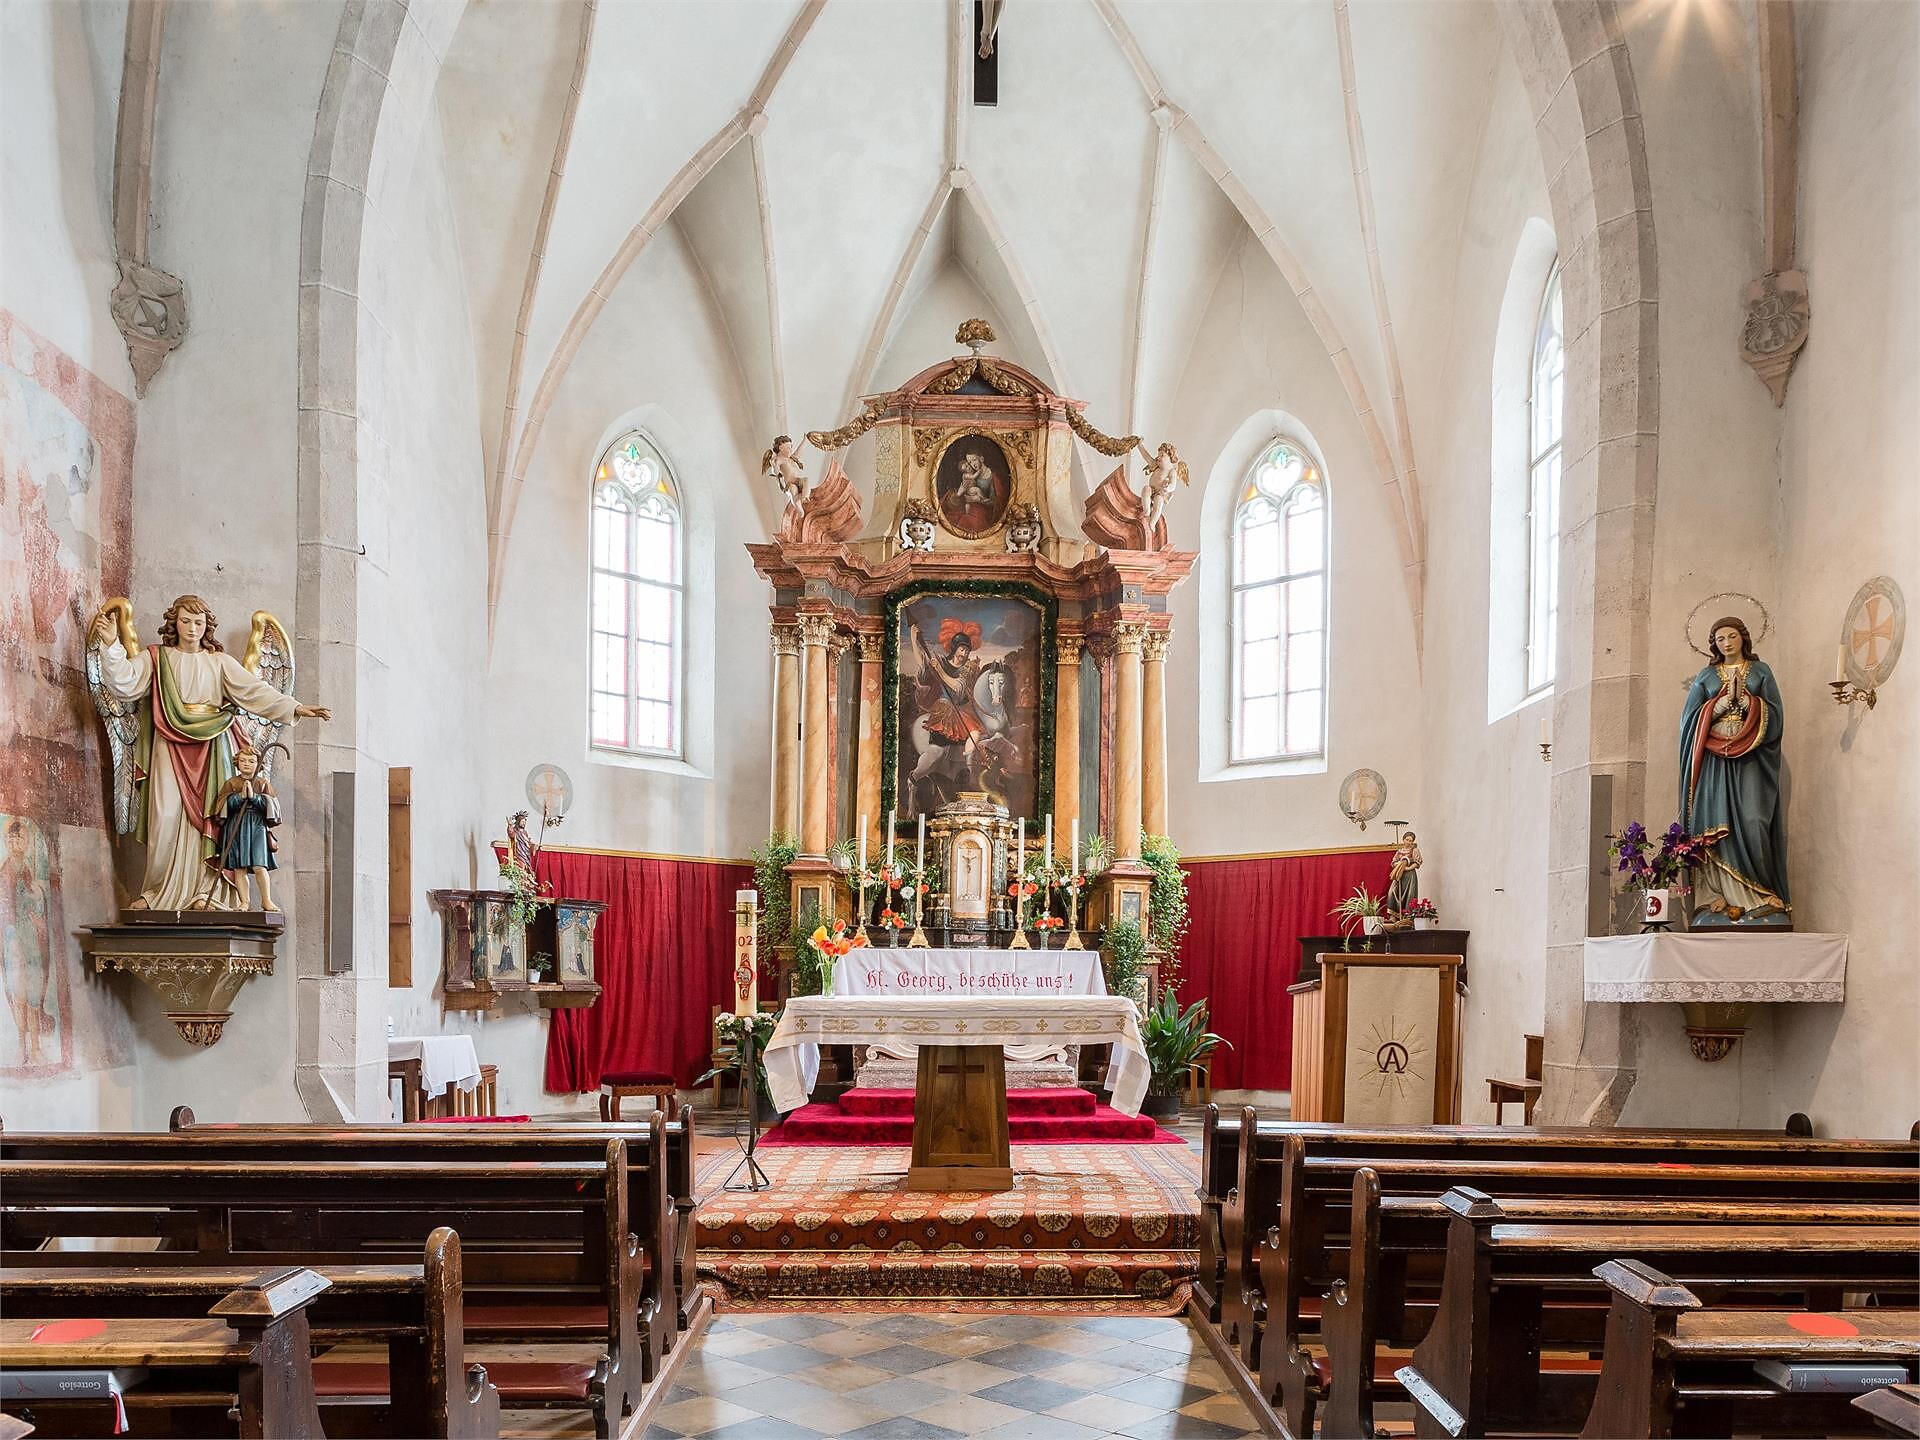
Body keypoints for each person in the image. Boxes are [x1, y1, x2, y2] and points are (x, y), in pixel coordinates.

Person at [89, 595, 329, 910]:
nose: (192, 629)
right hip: (169, 745)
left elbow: (256, 692)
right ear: (174, 622)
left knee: (214, 819)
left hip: (214, 745)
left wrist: (296, 707)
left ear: (207, 627)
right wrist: (110, 645)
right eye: (185, 621)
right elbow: (125, 684)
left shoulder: (218, 662)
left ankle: (208, 892)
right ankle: (158, 892)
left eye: (198, 623)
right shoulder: (157, 658)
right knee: (165, 817)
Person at [1679, 616, 1790, 925]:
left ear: (1743, 638)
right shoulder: (1706, 676)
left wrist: (1748, 702)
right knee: (1715, 822)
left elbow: (1777, 715)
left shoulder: (1760, 671)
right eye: (1719, 639)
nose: (1726, 643)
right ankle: (1718, 895)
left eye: (1731, 636)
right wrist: (1719, 704)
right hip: (1715, 758)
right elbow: (1689, 722)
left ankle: (1759, 893)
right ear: (1713, 645)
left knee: (1754, 820)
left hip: (1751, 754)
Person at [0, 818, 54, 1067]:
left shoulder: (28, 871)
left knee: (33, 996)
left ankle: (35, 1048)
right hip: (13, 938)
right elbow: (5, 908)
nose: (15, 842)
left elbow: (37, 906)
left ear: (27, 841)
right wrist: (11, 939)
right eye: (11, 838)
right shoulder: (5, 871)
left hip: (31, 938)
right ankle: (22, 1047)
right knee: (19, 995)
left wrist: (36, 895)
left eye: (20, 838)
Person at [208, 746, 281, 911]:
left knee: (259, 865)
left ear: (258, 764)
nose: (247, 764)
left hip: (256, 826)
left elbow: (273, 807)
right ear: (237, 763)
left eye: (251, 761)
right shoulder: (231, 783)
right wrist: (238, 798)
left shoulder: (262, 783)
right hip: (236, 825)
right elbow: (221, 806)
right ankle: (244, 902)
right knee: (239, 867)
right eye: (242, 761)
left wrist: (254, 798)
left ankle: (266, 900)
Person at [1385, 831, 1422, 915]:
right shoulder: (1399, 851)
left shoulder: (1414, 850)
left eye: (1411, 840)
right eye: (1407, 839)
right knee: (1392, 892)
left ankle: (1407, 915)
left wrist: (1408, 867)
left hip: (1410, 876)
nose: (1408, 842)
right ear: (1403, 839)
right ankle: (1394, 915)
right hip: (1399, 875)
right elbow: (1393, 863)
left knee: (1409, 895)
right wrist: (1400, 864)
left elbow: (1417, 862)